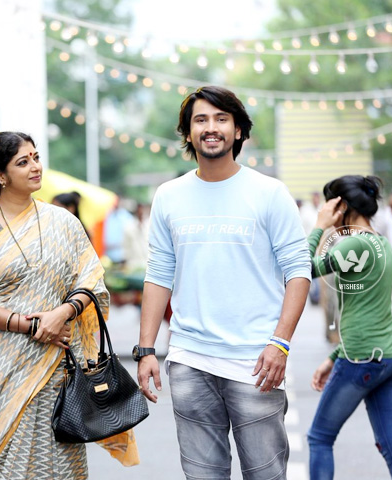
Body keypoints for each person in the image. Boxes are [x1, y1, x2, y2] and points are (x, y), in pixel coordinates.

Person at [136, 86, 311, 479]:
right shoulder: (169, 195)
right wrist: (146, 349)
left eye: (221, 119)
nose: (210, 127)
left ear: (238, 130)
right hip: (190, 359)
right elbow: (159, 273)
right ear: (188, 132)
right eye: (200, 120)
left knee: (265, 475)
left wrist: (280, 343)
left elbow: (299, 271)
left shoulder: (269, 193)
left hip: (256, 362)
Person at [0, 131, 139, 479]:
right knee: (6, 465)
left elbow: (92, 281)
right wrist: (34, 325)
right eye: (23, 162)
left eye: (36, 157)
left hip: (59, 364)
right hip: (0, 367)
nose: (35, 167)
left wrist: (63, 313)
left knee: (60, 463)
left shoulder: (63, 222)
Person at [306, 175, 392, 480]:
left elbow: (301, 269)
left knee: (320, 437)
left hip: (361, 359)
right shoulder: (380, 242)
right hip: (388, 357)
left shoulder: (355, 244)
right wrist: (332, 358)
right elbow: (369, 314)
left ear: (341, 207)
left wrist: (319, 226)